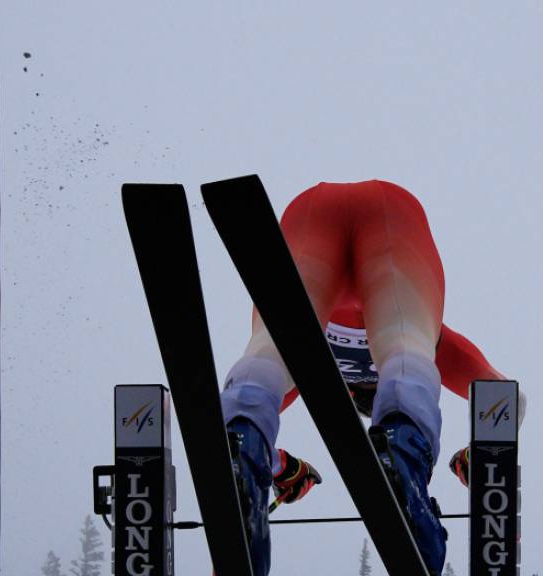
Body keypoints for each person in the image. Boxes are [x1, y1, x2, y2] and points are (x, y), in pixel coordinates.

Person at [220, 179, 526, 575]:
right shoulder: (434, 346)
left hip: (313, 213)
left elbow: (236, 425)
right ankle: (401, 449)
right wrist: (486, 455)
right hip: (388, 213)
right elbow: (505, 395)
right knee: (406, 343)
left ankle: (402, 447)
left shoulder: (312, 366)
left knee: (271, 352)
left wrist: (276, 466)